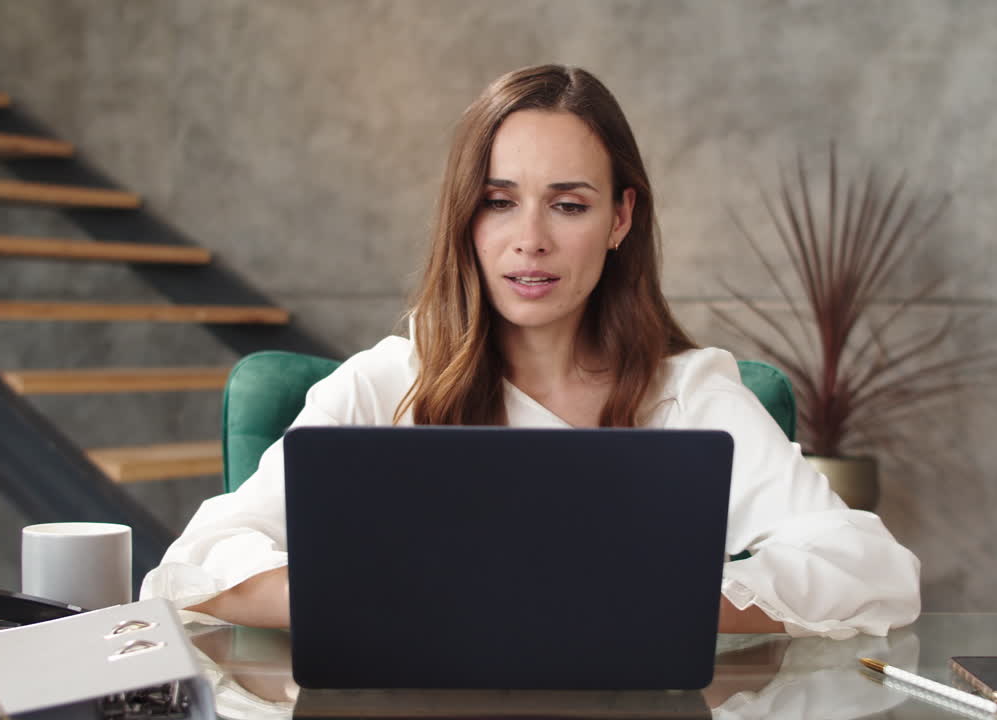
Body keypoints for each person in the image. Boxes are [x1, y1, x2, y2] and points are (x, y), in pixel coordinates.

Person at [141, 64, 921, 638]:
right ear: (466, 219)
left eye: (569, 205)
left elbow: (871, 569)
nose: (530, 242)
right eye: (499, 202)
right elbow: (195, 562)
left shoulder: (689, 396)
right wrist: (391, 597)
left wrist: (660, 602)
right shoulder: (391, 383)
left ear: (620, 219)